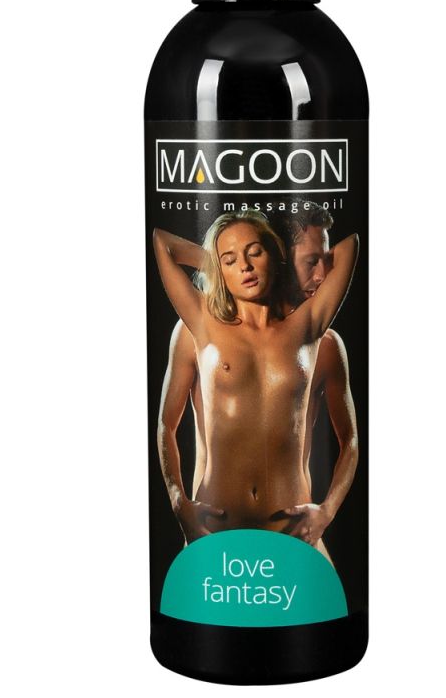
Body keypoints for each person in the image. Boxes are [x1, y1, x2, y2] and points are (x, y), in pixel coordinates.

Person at [153, 209, 358, 561]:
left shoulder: (308, 329)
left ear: (274, 254)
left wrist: (326, 513)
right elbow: (162, 242)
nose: (245, 266)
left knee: (329, 598)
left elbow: (350, 246)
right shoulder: (201, 325)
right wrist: (178, 502)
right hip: (215, 529)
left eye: (255, 252)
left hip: (293, 532)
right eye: (230, 260)